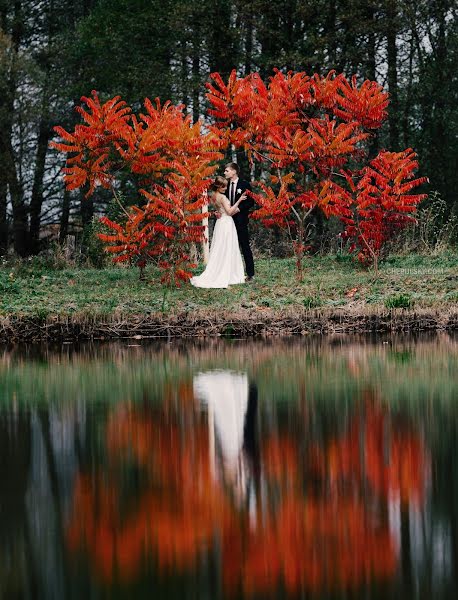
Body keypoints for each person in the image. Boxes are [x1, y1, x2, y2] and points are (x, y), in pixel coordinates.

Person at [190, 176, 247, 288]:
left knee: (220, 248)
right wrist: (239, 202)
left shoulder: (214, 196)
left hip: (220, 223)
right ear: (218, 186)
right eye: (224, 187)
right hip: (226, 223)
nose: (226, 188)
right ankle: (226, 274)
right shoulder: (222, 197)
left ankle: (225, 271)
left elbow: (220, 210)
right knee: (227, 248)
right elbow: (230, 212)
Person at [224, 162, 255, 281]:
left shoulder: (244, 184)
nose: (225, 173)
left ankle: (250, 274)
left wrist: (239, 208)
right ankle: (230, 273)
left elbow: (251, 202)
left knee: (244, 246)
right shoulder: (225, 185)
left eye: (227, 170)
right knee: (229, 247)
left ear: (234, 171)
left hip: (241, 220)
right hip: (227, 220)